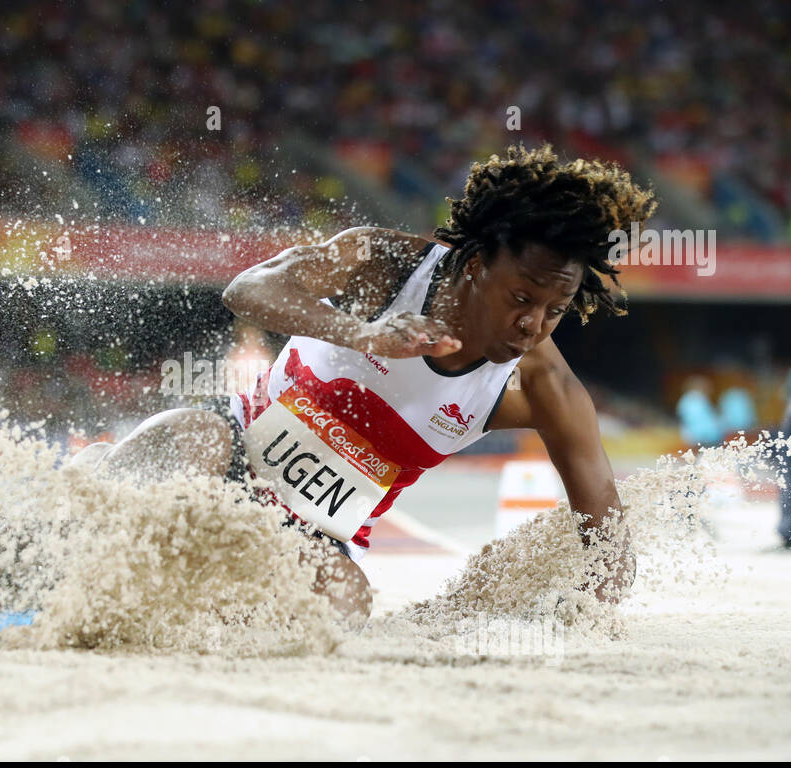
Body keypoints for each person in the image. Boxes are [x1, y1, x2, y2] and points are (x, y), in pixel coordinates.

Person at [71, 144, 652, 620]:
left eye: (555, 309)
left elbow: (606, 535)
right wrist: (362, 334)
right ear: (477, 266)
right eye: (521, 298)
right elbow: (246, 289)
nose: (532, 325)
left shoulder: (544, 388)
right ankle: (75, 515)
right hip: (229, 446)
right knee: (190, 442)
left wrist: (592, 607)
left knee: (347, 607)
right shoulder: (385, 262)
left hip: (309, 531)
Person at [676, 376, 724, 447]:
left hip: (691, 437)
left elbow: (682, 416)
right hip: (705, 436)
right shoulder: (699, 399)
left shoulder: (684, 400)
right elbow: (704, 421)